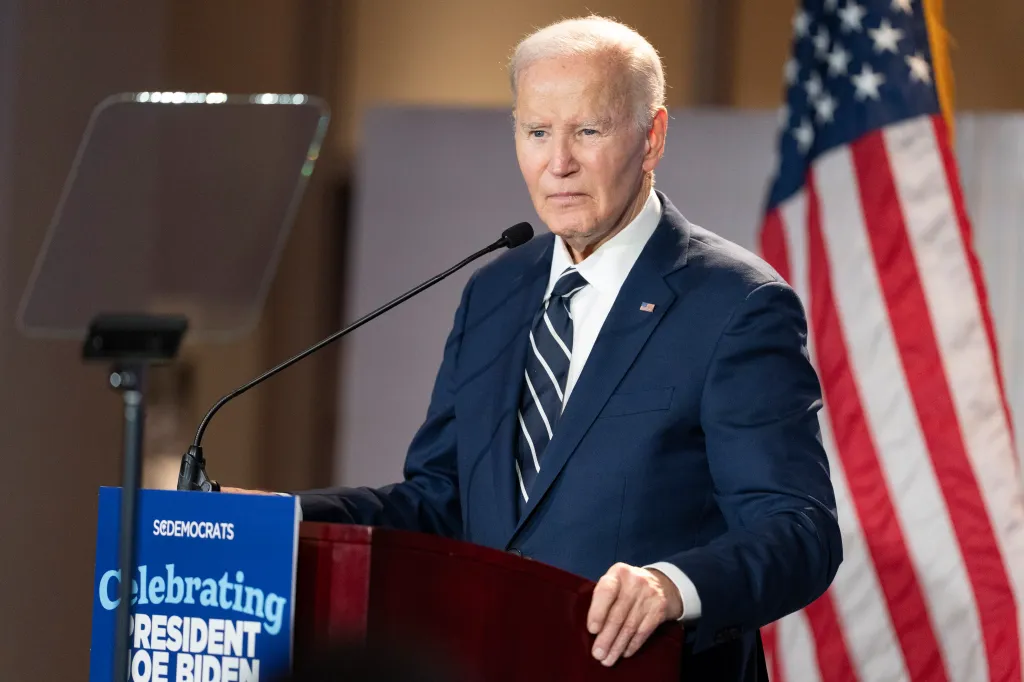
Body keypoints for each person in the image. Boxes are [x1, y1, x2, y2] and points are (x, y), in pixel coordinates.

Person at [229, 15, 842, 681]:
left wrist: (672, 585)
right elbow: (439, 500)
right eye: (537, 132)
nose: (559, 163)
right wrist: (286, 516)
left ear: (652, 137)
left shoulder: (735, 304)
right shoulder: (496, 290)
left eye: (588, 130)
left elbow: (798, 529)